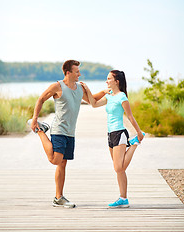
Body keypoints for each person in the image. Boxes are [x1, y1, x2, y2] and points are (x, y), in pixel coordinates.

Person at [28, 60, 109, 208]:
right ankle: (40, 130)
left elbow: (92, 100)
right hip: (59, 129)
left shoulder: (79, 88)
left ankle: (58, 197)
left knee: (63, 164)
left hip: (71, 132)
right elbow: (41, 99)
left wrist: (104, 92)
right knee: (55, 160)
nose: (79, 74)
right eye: (77, 71)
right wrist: (35, 119)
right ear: (68, 72)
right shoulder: (57, 86)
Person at [81, 70, 145, 208]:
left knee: (118, 167)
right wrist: (87, 89)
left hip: (120, 133)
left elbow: (130, 117)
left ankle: (134, 144)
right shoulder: (109, 95)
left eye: (109, 79)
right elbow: (94, 104)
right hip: (110, 135)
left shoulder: (122, 97)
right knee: (120, 170)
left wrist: (138, 132)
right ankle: (123, 198)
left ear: (117, 81)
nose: (106, 81)